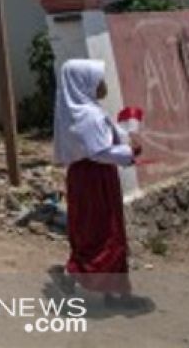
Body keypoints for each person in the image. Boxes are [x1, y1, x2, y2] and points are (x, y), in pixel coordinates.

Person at [53, 58, 144, 307]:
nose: (103, 84)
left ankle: (111, 290)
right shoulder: (89, 116)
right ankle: (100, 286)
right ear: (84, 82)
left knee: (90, 230)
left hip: (83, 178)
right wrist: (129, 152)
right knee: (106, 231)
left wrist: (125, 137)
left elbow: (104, 138)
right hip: (97, 178)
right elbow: (99, 152)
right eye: (97, 79)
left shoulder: (75, 111)